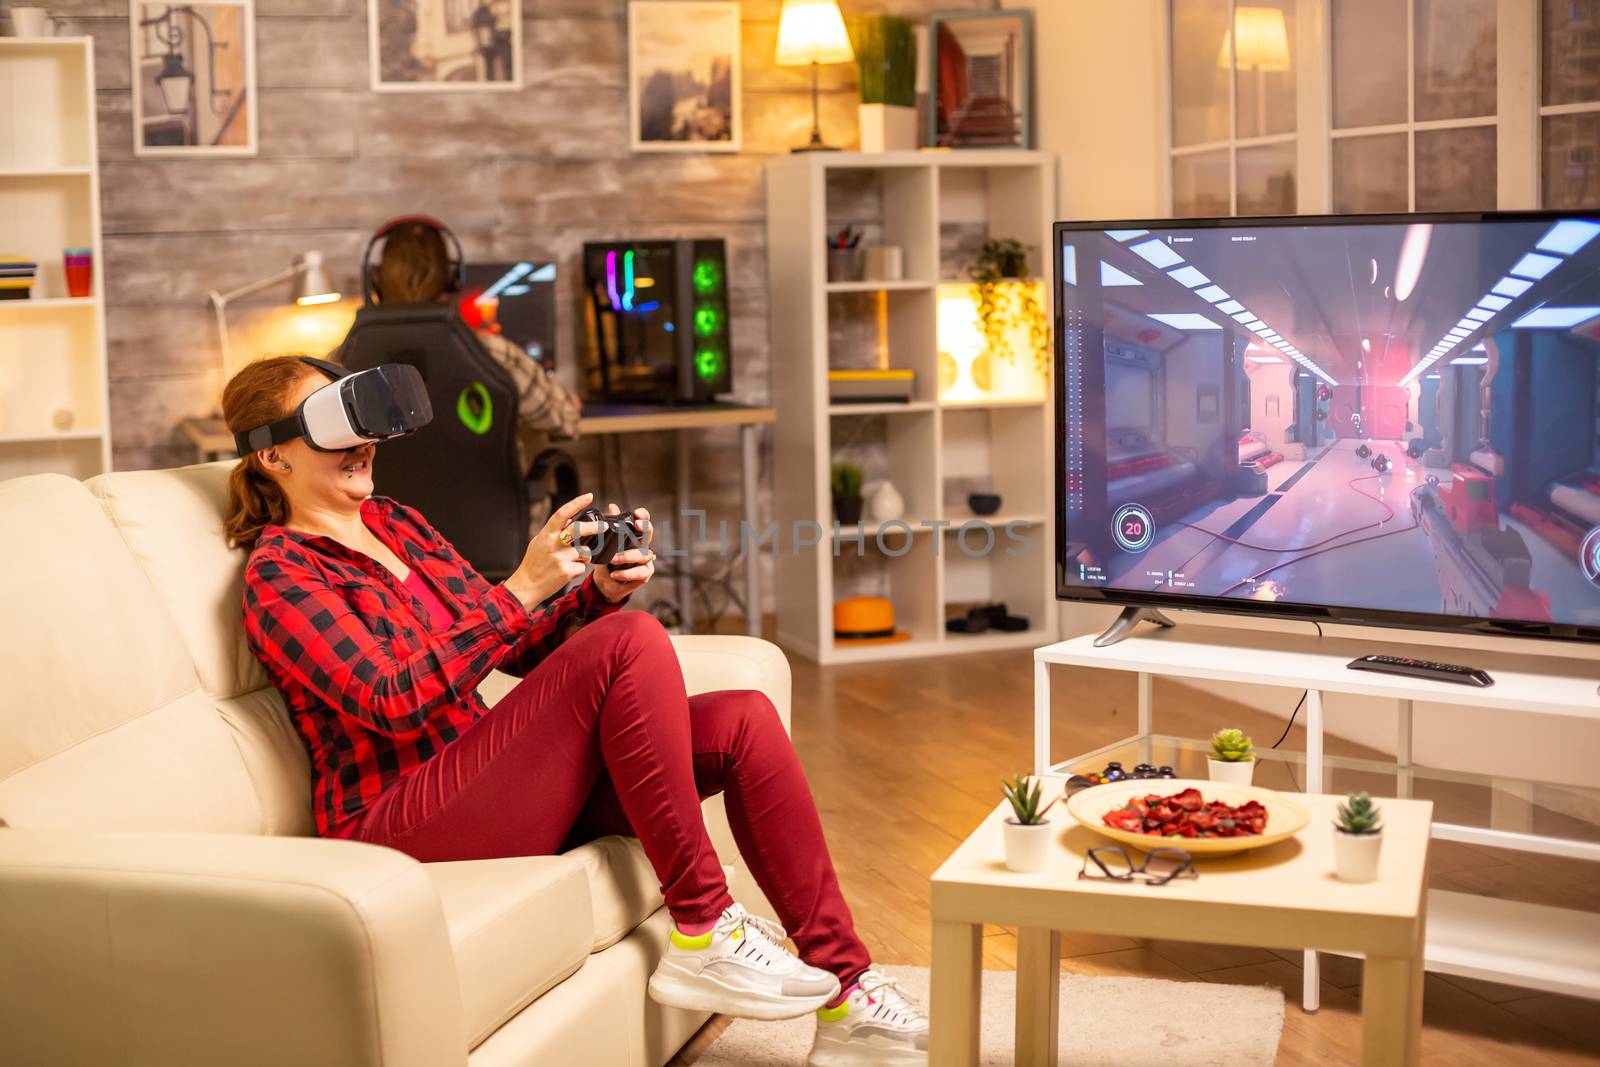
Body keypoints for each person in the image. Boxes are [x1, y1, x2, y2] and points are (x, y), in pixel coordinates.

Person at [224, 356, 929, 1065]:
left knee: (740, 718)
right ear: (272, 452)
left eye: (365, 421)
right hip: (396, 818)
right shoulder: (281, 571)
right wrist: (519, 589)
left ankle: (848, 993)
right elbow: (391, 698)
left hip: (487, 781)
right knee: (627, 644)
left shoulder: (396, 523)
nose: (364, 440)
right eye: (334, 423)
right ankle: (705, 924)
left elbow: (516, 648)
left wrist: (594, 591)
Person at [367, 217, 581, 472]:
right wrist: (570, 405)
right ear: (452, 279)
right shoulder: (491, 352)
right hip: (493, 510)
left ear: (376, 281)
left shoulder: (348, 357)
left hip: (385, 512)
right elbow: (565, 421)